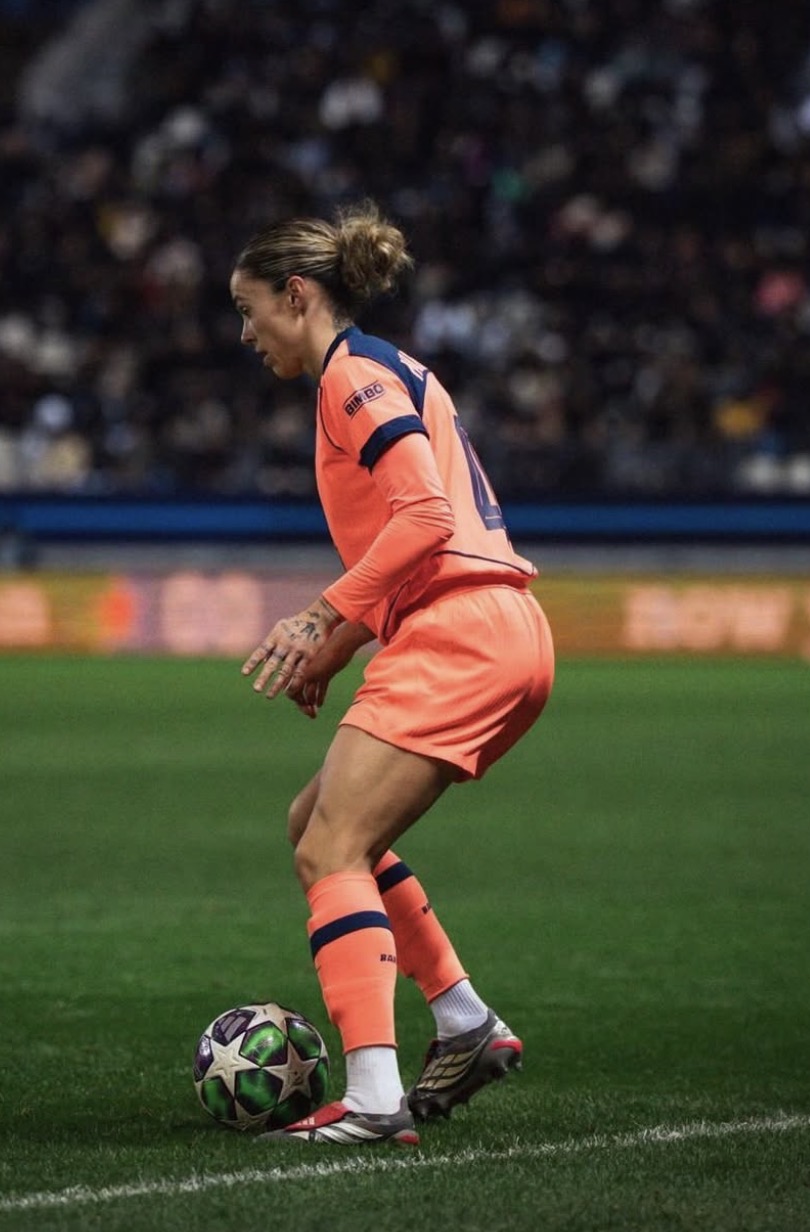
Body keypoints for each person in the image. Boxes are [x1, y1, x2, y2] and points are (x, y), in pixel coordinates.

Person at [231, 200, 555, 1146]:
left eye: (251, 310)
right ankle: (463, 1019)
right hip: (493, 628)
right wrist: (336, 647)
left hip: (461, 632)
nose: (246, 333)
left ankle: (374, 1097)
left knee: (329, 850)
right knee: (317, 823)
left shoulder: (351, 376)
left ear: (298, 295)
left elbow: (424, 518)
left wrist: (319, 614)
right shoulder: (389, 367)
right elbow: (421, 531)